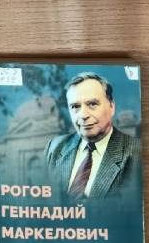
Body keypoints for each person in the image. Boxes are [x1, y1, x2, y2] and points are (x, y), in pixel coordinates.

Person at [44, 72, 140, 200]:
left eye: (92, 104)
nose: (83, 115)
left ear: (111, 106)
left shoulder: (136, 152)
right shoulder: (55, 148)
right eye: (75, 106)